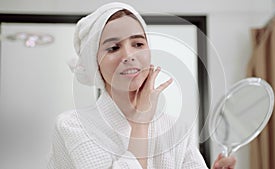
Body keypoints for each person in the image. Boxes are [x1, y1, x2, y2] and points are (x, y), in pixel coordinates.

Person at [47, 2, 236, 169]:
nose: (129, 55)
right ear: (94, 63)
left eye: (138, 44)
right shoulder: (73, 126)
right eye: (113, 48)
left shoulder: (176, 130)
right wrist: (141, 123)